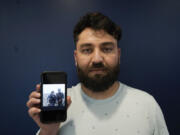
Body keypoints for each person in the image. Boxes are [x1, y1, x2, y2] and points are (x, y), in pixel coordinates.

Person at [26, 12, 169, 135]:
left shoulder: (147, 105)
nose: (97, 59)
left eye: (106, 49)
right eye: (87, 50)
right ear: (76, 58)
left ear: (118, 55)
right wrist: (49, 131)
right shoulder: (58, 106)